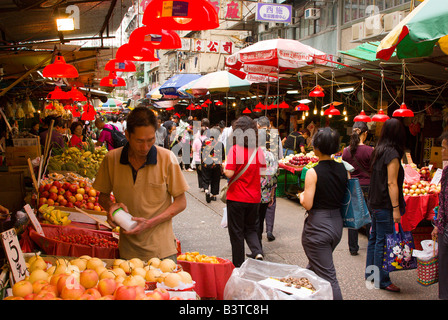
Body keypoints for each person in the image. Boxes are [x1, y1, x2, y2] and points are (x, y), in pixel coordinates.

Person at [93, 107, 189, 261]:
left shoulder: (167, 158)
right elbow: (103, 197)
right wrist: (111, 206)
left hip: (162, 252)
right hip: (127, 254)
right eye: (139, 141)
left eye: (150, 140)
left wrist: (150, 223)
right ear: (127, 135)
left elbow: (181, 202)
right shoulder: (111, 159)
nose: (145, 147)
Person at [299, 127, 347, 300]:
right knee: (315, 266)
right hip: (336, 225)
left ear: (317, 147)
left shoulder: (313, 172)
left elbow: (308, 204)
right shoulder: (343, 169)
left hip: (318, 227)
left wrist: (301, 196)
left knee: (329, 278)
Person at [366, 118, 406, 293]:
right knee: (382, 242)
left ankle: (371, 276)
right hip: (384, 205)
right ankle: (382, 280)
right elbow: (392, 183)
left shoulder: (379, 151)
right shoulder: (393, 154)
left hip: (374, 202)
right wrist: (396, 208)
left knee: (374, 239)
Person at [224, 116, 266, 267]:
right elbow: (262, 173)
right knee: (251, 229)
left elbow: (229, 173)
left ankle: (238, 266)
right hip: (254, 198)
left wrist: (224, 166)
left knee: (236, 233)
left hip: (236, 197)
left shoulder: (235, 150)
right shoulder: (258, 151)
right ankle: (257, 251)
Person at [342, 122, 374, 255]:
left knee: (354, 216)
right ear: (365, 133)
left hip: (353, 185)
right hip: (368, 186)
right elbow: (373, 169)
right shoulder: (370, 150)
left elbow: (346, 170)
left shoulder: (346, 151)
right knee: (370, 216)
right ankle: (371, 244)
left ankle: (353, 248)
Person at [431, 131, 448, 300]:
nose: (441, 151)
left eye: (444, 148)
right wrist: (437, 225)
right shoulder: (446, 171)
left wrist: (439, 224)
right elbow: (443, 202)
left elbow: (444, 202)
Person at [257, 116, 280, 242]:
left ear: (259, 126)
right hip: (271, 174)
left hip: (258, 181)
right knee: (271, 202)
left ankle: (257, 239)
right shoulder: (275, 136)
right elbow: (280, 155)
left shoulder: (255, 139)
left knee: (256, 214)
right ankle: (269, 229)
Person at [201, 127, 225, 202]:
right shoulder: (220, 144)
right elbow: (222, 156)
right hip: (216, 164)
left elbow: (201, 152)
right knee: (215, 179)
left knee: (205, 178)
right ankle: (214, 195)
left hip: (206, 163)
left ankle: (206, 190)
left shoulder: (205, 142)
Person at [192, 126, 207, 191]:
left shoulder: (196, 140)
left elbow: (193, 149)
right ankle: (205, 185)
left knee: (199, 173)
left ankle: (201, 186)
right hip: (206, 159)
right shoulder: (208, 140)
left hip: (198, 159)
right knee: (206, 173)